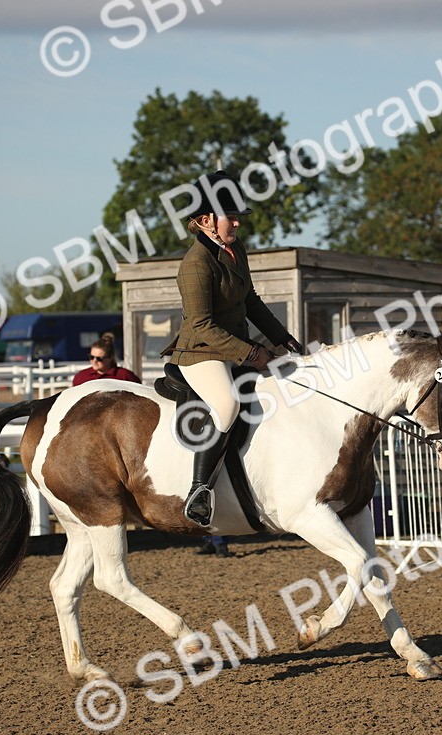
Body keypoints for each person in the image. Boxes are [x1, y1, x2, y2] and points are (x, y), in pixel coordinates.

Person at [164, 170, 303, 540]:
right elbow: (203, 325)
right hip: (201, 352)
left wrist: (282, 337)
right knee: (226, 405)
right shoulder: (195, 264)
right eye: (231, 216)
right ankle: (200, 490)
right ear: (206, 219)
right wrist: (253, 352)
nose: (238, 222)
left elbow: (251, 301)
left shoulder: (235, 249)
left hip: (234, 347)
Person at [72, 333, 140, 386]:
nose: (94, 361)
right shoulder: (81, 377)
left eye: (99, 358)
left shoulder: (125, 376)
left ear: (110, 358)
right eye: (91, 357)